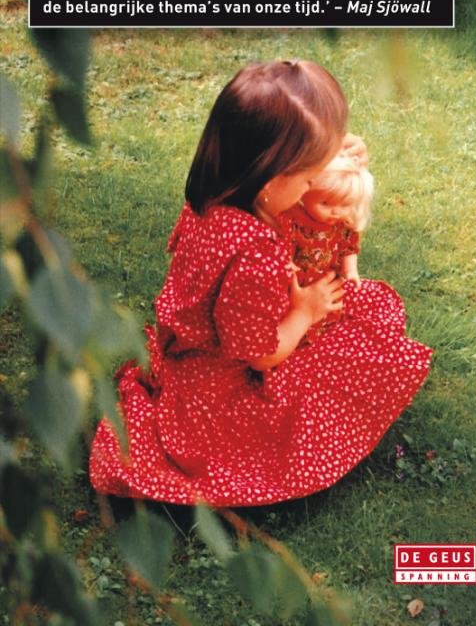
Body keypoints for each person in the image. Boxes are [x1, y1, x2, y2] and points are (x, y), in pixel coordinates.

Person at [89, 60, 432, 507]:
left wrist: (335, 152)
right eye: (309, 177)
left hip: (185, 362)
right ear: (273, 177)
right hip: (221, 397)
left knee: (364, 311)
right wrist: (305, 312)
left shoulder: (213, 197)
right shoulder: (256, 256)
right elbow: (262, 354)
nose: (313, 186)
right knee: (361, 353)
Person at [279, 154, 374, 345]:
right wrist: (285, 262)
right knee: (292, 307)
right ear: (306, 193)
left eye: (345, 205)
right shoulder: (293, 218)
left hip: (326, 280)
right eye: (325, 203)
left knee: (330, 304)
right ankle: (296, 329)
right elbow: (281, 242)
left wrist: (350, 270)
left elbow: (349, 248)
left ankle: (320, 325)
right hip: (297, 284)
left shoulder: (342, 224)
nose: (335, 211)